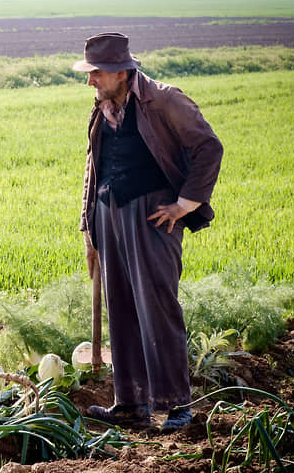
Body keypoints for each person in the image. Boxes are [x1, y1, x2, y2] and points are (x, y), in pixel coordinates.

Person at [74, 33, 222, 431]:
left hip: (153, 217)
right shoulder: (101, 108)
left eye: (97, 74)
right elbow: (94, 169)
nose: (90, 81)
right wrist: (88, 229)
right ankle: (131, 404)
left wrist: (185, 203)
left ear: (122, 72)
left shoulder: (165, 100)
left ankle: (177, 405)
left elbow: (209, 147)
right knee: (120, 307)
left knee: (156, 307)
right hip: (108, 216)